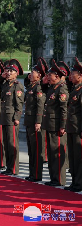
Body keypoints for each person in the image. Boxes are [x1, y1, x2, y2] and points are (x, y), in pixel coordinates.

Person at [41, 59, 69, 186]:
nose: (48, 77)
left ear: (57, 76)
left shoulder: (61, 89)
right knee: (52, 153)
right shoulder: (53, 88)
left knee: (57, 153)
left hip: (57, 125)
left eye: (50, 75)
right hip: (50, 124)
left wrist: (63, 126)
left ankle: (59, 180)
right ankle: (53, 178)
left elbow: (64, 110)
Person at [0, 59, 24, 176]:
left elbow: (19, 104)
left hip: (12, 118)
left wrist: (17, 117)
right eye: (7, 71)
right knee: (6, 143)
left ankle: (14, 168)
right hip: (4, 116)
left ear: (16, 73)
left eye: (11, 71)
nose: (8, 73)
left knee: (12, 143)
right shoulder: (5, 84)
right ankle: (9, 167)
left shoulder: (17, 86)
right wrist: (1, 77)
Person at [24, 57, 46, 182]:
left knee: (37, 149)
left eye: (33, 73)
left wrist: (38, 121)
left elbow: (40, 105)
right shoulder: (31, 87)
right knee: (31, 149)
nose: (30, 74)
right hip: (29, 121)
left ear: (39, 76)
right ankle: (32, 173)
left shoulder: (38, 88)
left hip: (35, 122)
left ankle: (37, 174)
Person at [65, 57, 82, 192]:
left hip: (78, 129)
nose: (70, 76)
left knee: (78, 157)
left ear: (80, 76)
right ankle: (74, 182)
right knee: (72, 157)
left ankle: (79, 183)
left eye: (73, 74)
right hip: (71, 127)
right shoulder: (74, 89)